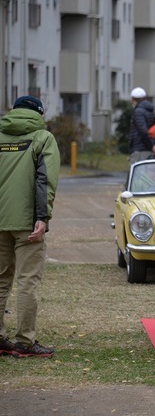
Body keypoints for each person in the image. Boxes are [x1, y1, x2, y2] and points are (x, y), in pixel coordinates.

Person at [0, 96, 60, 358]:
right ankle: (24, 341)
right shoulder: (42, 138)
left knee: (1, 280)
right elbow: (44, 180)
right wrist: (42, 216)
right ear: (38, 113)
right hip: (28, 224)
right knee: (27, 281)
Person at [128, 87, 155, 164]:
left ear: (133, 99)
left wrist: (151, 146)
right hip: (148, 148)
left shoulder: (138, 111)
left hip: (140, 148)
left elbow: (143, 131)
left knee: (137, 171)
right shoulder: (149, 111)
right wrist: (154, 144)